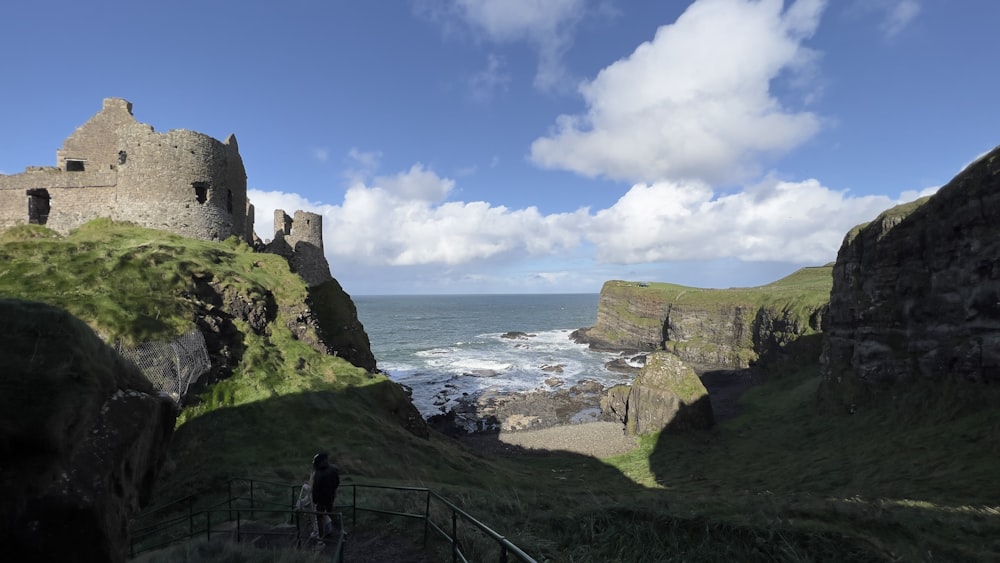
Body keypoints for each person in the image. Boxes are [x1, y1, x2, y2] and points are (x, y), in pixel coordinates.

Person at [310, 452, 340, 538]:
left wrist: (315, 499)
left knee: (319, 517)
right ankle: (342, 531)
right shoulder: (334, 469)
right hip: (331, 497)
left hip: (321, 500)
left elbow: (315, 488)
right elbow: (337, 482)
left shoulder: (318, 473)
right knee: (331, 513)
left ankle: (320, 537)